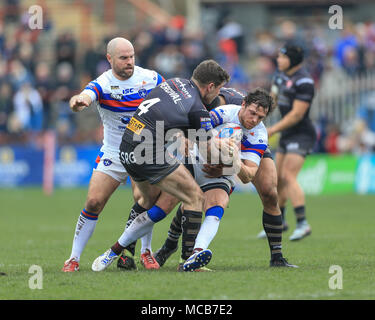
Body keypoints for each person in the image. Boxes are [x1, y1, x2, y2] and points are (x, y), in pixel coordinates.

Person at [91, 59, 231, 272]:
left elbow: (169, 116)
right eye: (218, 89)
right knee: (194, 197)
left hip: (127, 146)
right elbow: (207, 151)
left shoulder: (174, 83)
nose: (216, 95)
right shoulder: (198, 109)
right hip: (148, 151)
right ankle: (189, 260)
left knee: (148, 200)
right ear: (210, 86)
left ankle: (116, 251)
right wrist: (227, 149)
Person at [154, 88, 296, 270]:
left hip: (239, 150)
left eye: (260, 117)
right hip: (206, 149)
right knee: (177, 199)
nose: (254, 119)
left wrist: (229, 165)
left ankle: (276, 256)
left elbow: (247, 176)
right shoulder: (221, 109)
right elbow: (193, 127)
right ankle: (166, 245)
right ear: (242, 104)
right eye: (252, 113)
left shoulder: (258, 130)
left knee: (268, 191)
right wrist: (184, 139)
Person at [62, 37, 165, 272]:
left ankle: (146, 252)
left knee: (147, 201)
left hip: (144, 151)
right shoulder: (102, 83)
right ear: (109, 59)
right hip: (115, 152)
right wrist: (78, 101)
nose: (130, 62)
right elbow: (84, 96)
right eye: (123, 58)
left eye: (132, 57)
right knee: (94, 201)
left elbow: (172, 99)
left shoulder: (151, 78)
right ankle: (73, 258)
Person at [266, 41, 316, 241]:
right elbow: (272, 101)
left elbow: (296, 115)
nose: (278, 59)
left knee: (288, 175)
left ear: (292, 60)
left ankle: (303, 223)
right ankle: (281, 221)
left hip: (301, 133)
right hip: (286, 134)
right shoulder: (279, 77)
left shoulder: (305, 82)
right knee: (277, 179)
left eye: (282, 56)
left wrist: (272, 129)